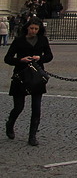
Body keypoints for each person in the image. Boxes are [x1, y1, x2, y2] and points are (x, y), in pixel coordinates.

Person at [4, 17, 53, 146]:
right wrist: (20, 60)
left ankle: (32, 136)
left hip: (37, 76)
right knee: (18, 107)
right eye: (32, 28)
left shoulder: (42, 40)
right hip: (21, 76)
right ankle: (10, 123)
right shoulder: (19, 40)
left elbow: (49, 56)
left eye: (36, 29)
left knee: (36, 108)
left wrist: (40, 58)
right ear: (27, 28)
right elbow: (7, 58)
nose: (34, 31)